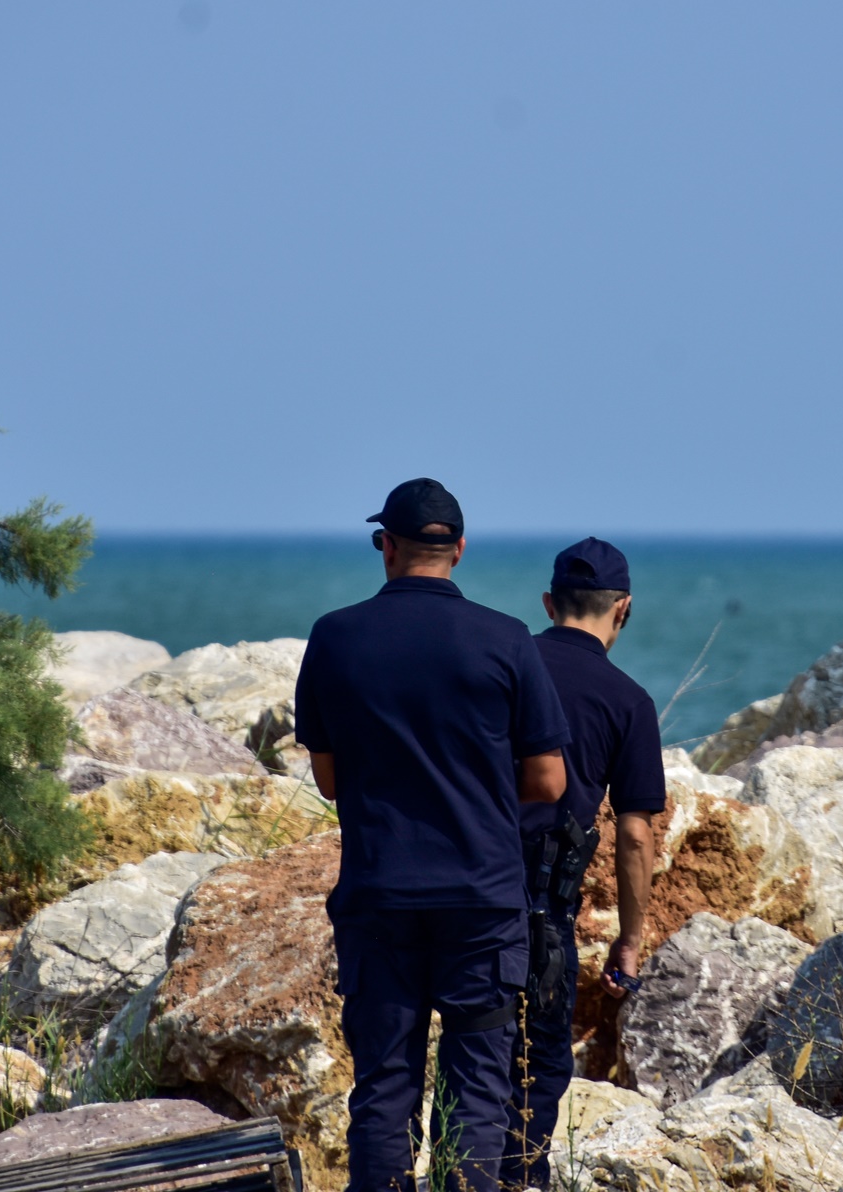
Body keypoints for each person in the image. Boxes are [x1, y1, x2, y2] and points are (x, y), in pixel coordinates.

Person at [293, 478, 572, 1192]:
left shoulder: (334, 637)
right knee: (478, 1087)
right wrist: (479, 792)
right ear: (459, 550)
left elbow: (328, 779)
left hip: (379, 896)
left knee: (385, 1085)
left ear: (386, 546)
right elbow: (548, 780)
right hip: (482, 899)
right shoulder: (506, 639)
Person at [501, 538, 666, 1192]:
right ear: (622, 608)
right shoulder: (629, 701)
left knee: (471, 1056)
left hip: (465, 887)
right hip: (544, 908)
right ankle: (522, 1181)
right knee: (541, 1064)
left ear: (548, 603)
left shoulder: (504, 666)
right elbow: (633, 835)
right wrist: (629, 942)